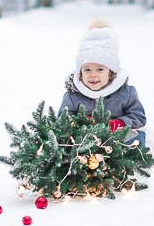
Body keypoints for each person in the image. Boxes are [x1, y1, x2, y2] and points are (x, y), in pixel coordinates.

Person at [60, 19, 147, 148]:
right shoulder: (73, 96)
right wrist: (81, 123)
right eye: (87, 70)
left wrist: (119, 123)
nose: (93, 75)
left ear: (111, 73)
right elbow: (63, 120)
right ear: (80, 72)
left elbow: (139, 117)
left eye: (100, 69)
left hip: (117, 141)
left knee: (136, 138)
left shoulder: (125, 93)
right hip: (85, 144)